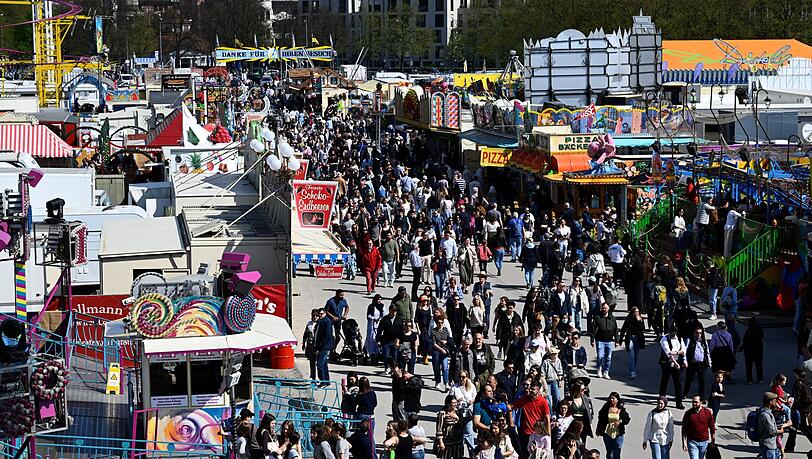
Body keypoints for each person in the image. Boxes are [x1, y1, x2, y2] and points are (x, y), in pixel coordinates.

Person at [595, 392, 630, 459]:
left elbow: (627, 419)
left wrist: (620, 421)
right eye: (610, 398)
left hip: (618, 434)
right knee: (609, 453)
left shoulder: (621, 409)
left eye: (613, 398)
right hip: (607, 433)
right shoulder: (606, 408)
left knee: (617, 452)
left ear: (617, 400)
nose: (612, 400)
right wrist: (598, 429)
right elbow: (601, 419)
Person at [659, 326, 686, 409]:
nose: (673, 335)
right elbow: (668, 353)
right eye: (672, 333)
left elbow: (683, 350)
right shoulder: (664, 339)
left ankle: (679, 402)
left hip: (678, 362)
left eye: (674, 334)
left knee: (678, 383)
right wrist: (675, 362)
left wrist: (679, 354)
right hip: (667, 363)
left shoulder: (679, 338)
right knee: (664, 381)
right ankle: (662, 400)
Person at [590, 303, 618, 380]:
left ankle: (606, 371)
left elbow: (615, 329)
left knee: (608, 357)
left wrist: (617, 340)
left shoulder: (612, 318)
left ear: (608, 308)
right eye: (603, 308)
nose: (604, 310)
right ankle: (599, 368)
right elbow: (593, 329)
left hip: (609, 341)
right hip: (600, 340)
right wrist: (592, 339)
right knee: (600, 356)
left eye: (606, 308)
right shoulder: (598, 317)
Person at [617, 306, 645, 379]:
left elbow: (643, 329)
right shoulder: (629, 319)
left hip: (638, 339)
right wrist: (620, 339)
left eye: (638, 312)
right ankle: (632, 371)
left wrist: (639, 321)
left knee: (635, 356)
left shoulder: (640, 319)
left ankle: (633, 368)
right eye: (635, 312)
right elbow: (623, 329)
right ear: (632, 312)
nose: (637, 313)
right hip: (630, 338)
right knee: (631, 356)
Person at [684, 326, 711, 400]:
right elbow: (685, 351)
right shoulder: (689, 340)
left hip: (701, 364)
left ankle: (701, 397)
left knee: (702, 380)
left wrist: (709, 361)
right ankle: (684, 393)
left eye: (700, 333)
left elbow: (707, 352)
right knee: (689, 379)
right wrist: (685, 361)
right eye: (697, 333)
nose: (699, 335)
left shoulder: (703, 341)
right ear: (693, 333)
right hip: (692, 363)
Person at [431, 308, 452, 392]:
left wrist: (446, 341)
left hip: (445, 350)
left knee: (445, 367)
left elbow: (448, 338)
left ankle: (446, 383)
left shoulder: (445, 330)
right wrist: (440, 349)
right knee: (436, 367)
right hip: (437, 351)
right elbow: (434, 343)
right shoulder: (433, 331)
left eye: (441, 323)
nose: (440, 324)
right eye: (438, 323)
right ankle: (437, 381)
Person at [378, 304, 403, 372]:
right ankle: (387, 366)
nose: (394, 312)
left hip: (395, 341)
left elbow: (401, 331)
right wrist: (378, 339)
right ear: (390, 311)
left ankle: (393, 369)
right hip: (386, 340)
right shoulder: (385, 319)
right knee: (386, 355)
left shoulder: (399, 319)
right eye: (393, 311)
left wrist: (400, 340)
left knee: (395, 356)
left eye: (395, 311)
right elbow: (380, 329)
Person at [757, 392, 782, 459]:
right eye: (775, 400)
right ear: (770, 402)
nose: (776, 402)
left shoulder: (768, 412)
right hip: (768, 445)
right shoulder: (765, 415)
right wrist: (780, 430)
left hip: (771, 445)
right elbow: (771, 431)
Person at [740, 317, 764, 384]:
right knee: (759, 365)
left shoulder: (749, 331)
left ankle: (749, 379)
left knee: (749, 366)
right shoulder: (759, 330)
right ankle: (760, 379)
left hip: (749, 351)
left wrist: (741, 348)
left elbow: (745, 341)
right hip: (758, 351)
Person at [315, 308, 334, 384]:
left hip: (324, 347)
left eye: (321, 314)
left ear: (325, 313)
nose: (320, 315)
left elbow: (327, 336)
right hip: (320, 346)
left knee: (320, 365)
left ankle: (323, 381)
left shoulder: (327, 322)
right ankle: (326, 380)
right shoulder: (320, 321)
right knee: (324, 364)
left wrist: (319, 347)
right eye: (319, 314)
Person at [366, 296, 385, 363]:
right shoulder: (371, 306)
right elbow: (368, 315)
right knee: (371, 339)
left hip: (379, 325)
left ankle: (378, 354)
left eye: (380, 300)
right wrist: (373, 318)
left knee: (377, 339)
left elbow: (384, 315)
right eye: (378, 300)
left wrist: (380, 319)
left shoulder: (382, 306)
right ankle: (372, 354)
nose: (379, 301)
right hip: (372, 325)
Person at [302, 309, 320, 379]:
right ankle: (313, 376)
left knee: (319, 363)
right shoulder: (309, 323)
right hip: (310, 344)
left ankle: (321, 377)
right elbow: (305, 334)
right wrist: (303, 344)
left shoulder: (320, 323)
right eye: (313, 315)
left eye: (316, 316)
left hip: (318, 345)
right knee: (311, 362)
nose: (315, 317)